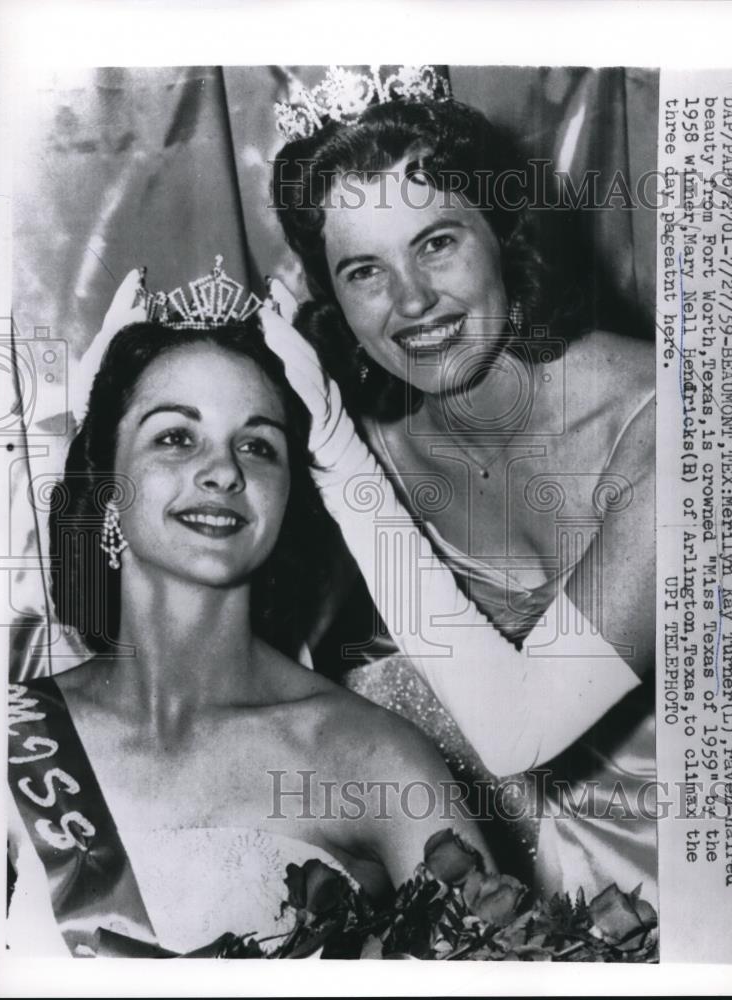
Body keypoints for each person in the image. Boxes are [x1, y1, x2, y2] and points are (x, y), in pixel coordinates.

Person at [6, 265, 494, 957]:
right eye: (176, 436)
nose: (225, 470)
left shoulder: (376, 760)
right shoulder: (14, 737)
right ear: (108, 487)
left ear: (288, 496)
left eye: (259, 445)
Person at [263, 67, 657, 905]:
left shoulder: (671, 424)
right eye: (364, 270)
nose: (412, 302)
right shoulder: (373, 432)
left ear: (502, 232)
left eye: (436, 241)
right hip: (498, 865)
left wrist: (339, 462)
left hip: (699, 861)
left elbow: (519, 729)